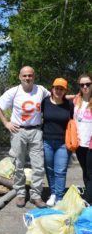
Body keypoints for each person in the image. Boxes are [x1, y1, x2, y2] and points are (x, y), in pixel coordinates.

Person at [0, 66, 50, 208]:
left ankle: (36, 195)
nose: (27, 78)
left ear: (34, 77)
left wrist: (77, 97)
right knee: (18, 164)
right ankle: (20, 193)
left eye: (30, 75)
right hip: (18, 131)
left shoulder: (41, 90)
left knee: (38, 166)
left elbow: (56, 98)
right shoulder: (14, 91)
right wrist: (6, 122)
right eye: (24, 75)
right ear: (20, 77)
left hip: (36, 131)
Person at [41, 78, 73, 207]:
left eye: (62, 89)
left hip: (63, 143)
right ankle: (53, 193)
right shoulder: (45, 102)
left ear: (65, 91)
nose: (58, 91)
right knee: (49, 169)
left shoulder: (69, 105)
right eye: (56, 88)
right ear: (52, 89)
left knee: (60, 170)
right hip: (47, 141)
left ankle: (59, 197)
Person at [74, 73, 92, 204]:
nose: (85, 87)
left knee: (91, 173)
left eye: (88, 84)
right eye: (82, 85)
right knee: (85, 171)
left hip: (91, 144)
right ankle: (89, 194)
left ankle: (88, 201)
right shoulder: (76, 100)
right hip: (79, 143)